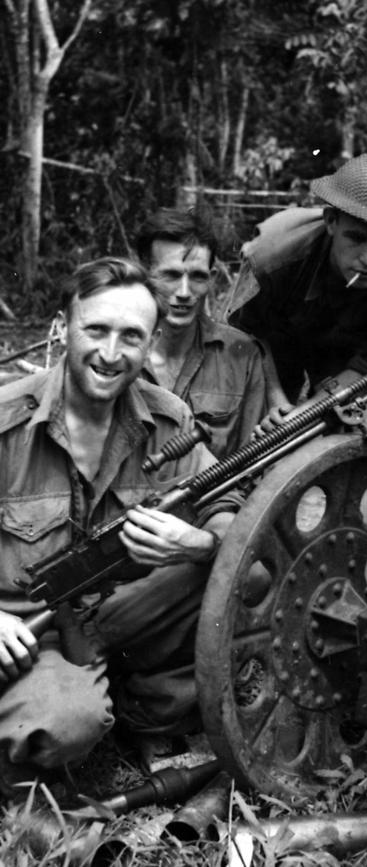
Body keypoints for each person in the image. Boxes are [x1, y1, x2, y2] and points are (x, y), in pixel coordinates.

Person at [0, 258, 233, 791]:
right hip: (26, 633)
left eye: (131, 336)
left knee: (237, 568)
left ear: (151, 341)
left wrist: (197, 542)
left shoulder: (168, 420)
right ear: (61, 328)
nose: (110, 354)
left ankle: (151, 716)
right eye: (96, 330)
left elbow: (227, 506)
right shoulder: (5, 421)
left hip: (113, 620)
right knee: (67, 724)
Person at [227, 152, 367, 433]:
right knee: (255, 434)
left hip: (350, 358)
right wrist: (275, 401)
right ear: (331, 221)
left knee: (360, 432)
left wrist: (305, 414)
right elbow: (249, 338)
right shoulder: (271, 258)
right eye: (356, 238)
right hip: (276, 347)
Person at [136, 206, 266, 456]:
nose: (184, 292)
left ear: (212, 278)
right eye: (171, 275)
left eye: (197, 277)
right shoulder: (115, 352)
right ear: (145, 276)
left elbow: (253, 459)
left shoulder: (241, 354)